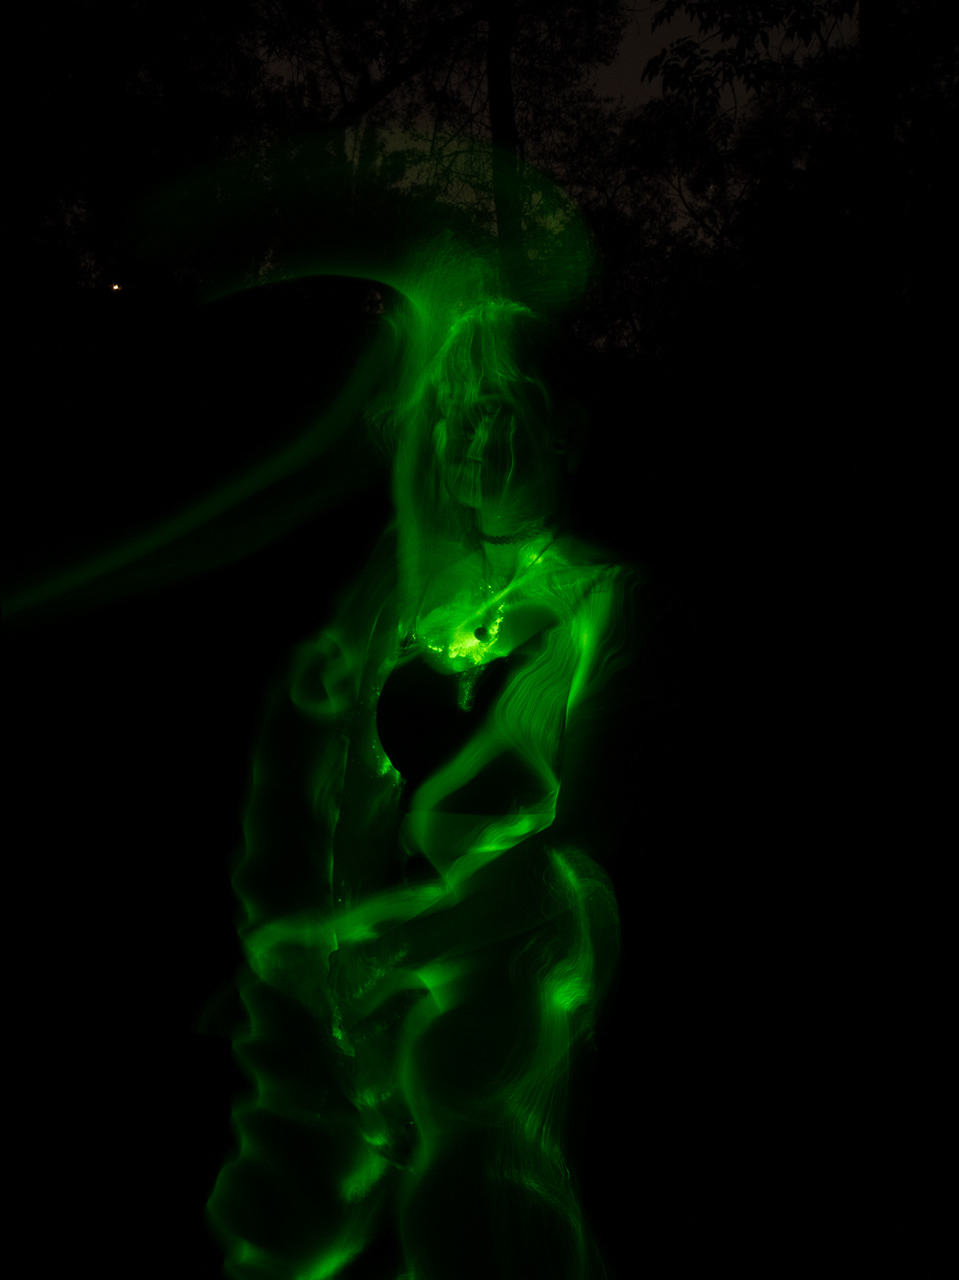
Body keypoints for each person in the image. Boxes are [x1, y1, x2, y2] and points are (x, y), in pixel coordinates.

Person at [208, 292, 638, 1280]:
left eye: (499, 410)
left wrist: (391, 944)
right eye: (452, 413)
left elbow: (583, 845)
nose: (466, 440)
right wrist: (335, 943)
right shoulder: (427, 599)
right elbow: (362, 800)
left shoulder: (602, 599)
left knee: (478, 1215)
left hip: (502, 989)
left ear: (564, 430)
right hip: (402, 990)